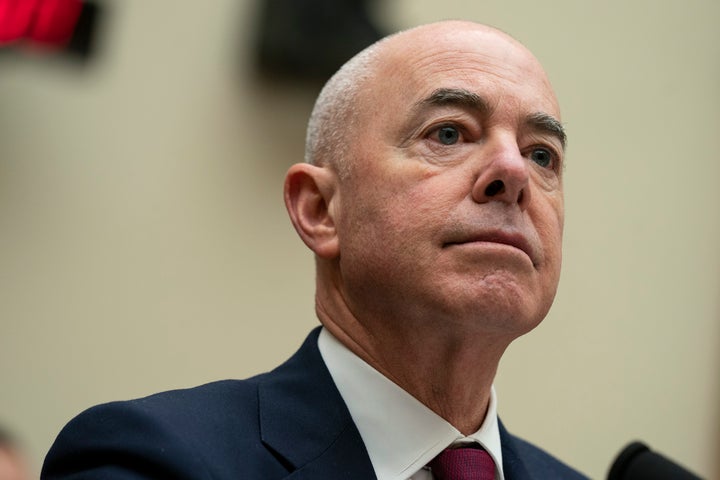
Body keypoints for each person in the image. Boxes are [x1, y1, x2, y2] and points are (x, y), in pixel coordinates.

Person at [42, 20, 587, 479]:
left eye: (542, 155)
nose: (513, 172)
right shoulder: (151, 461)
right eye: (448, 134)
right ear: (320, 210)